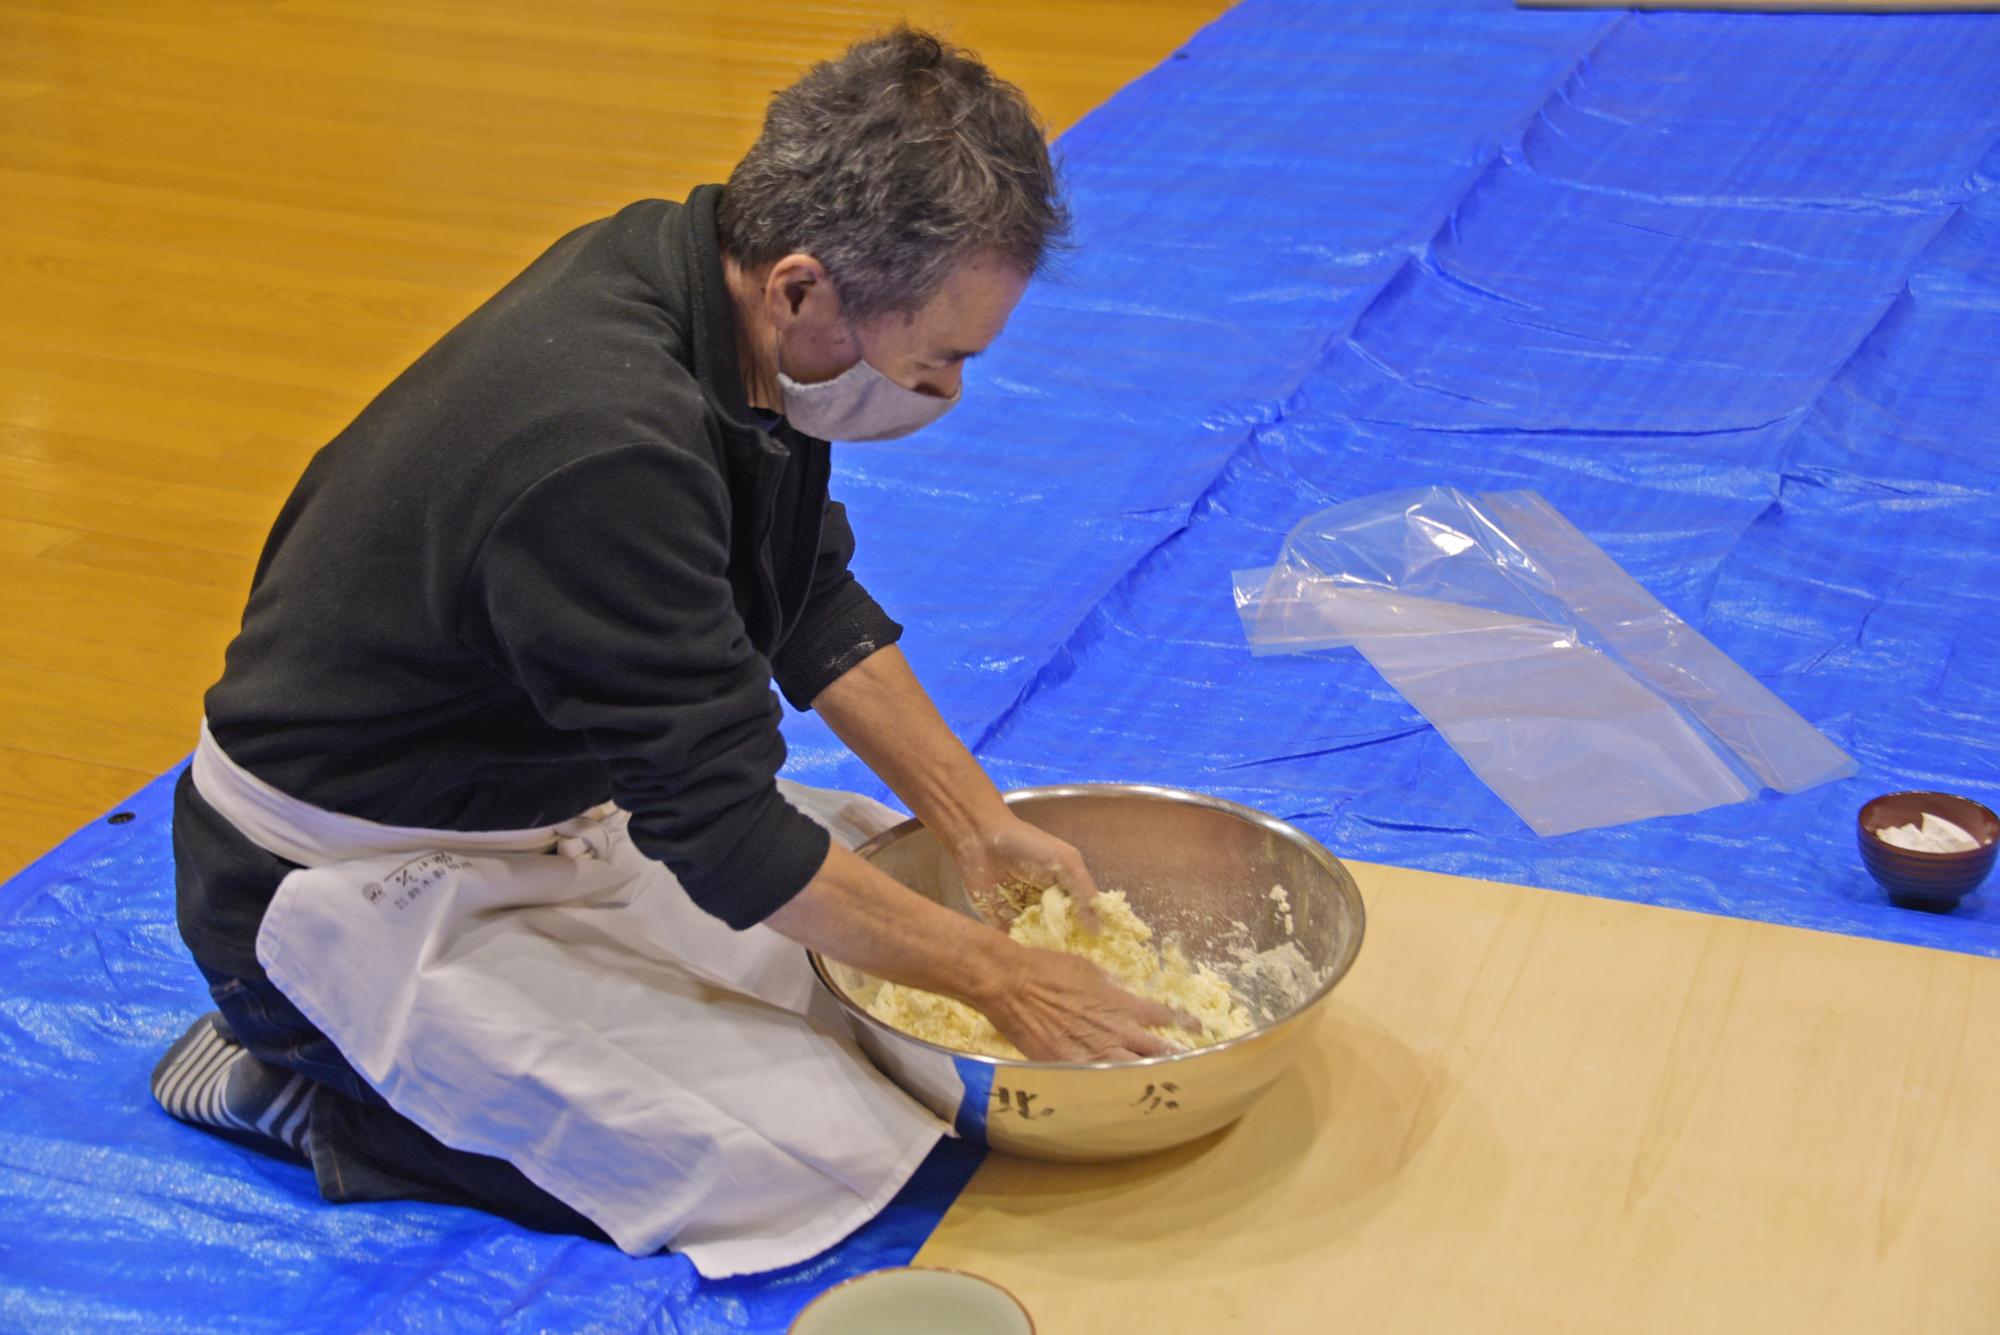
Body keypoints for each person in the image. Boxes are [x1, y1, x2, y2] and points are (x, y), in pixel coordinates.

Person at [150, 26, 1191, 1247]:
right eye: (940, 356)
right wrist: (999, 975)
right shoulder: (606, 448)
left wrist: (980, 825)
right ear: (804, 285)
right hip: (349, 884)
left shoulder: (721, 293)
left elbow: (798, 589)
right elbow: (729, 836)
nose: (944, 390)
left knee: (874, 907)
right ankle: (308, 1086)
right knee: (802, 1157)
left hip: (551, 808)